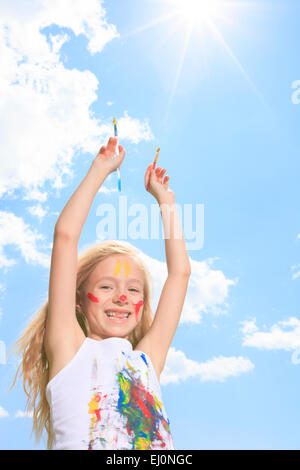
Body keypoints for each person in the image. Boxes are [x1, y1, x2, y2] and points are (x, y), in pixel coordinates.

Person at [10, 136, 191, 450]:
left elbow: (180, 274)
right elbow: (65, 236)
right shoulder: (69, 348)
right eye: (107, 286)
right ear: (78, 299)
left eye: (133, 290)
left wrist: (166, 203)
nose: (122, 297)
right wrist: (99, 170)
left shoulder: (146, 360)